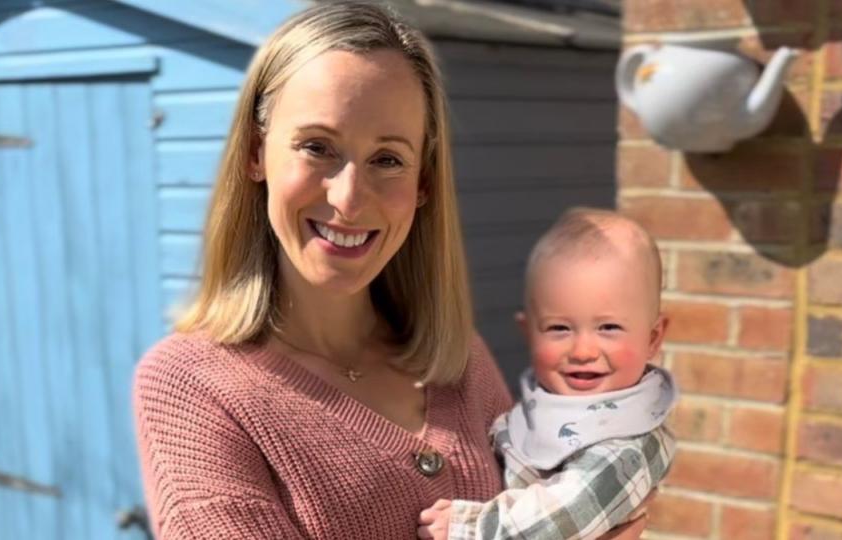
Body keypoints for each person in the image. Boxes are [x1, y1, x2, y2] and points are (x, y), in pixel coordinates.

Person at [132, 2, 650, 538]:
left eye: (387, 159)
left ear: (422, 183)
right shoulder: (191, 390)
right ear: (255, 154)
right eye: (317, 147)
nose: (349, 199)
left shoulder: (458, 357)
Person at [417, 208, 677, 540]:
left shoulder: (631, 440)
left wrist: (471, 527)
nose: (583, 351)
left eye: (609, 327)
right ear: (529, 333)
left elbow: (566, 516)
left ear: (652, 338)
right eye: (559, 328)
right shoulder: (554, 403)